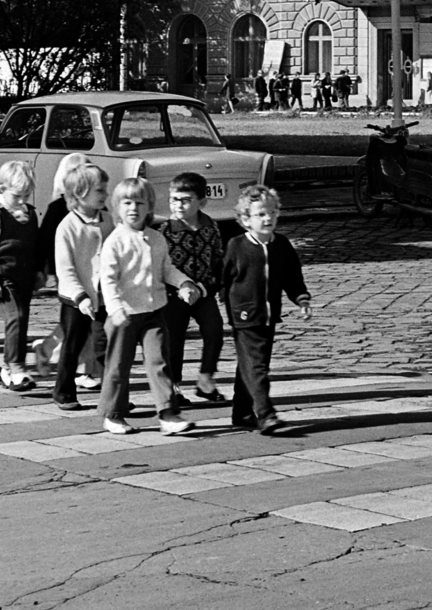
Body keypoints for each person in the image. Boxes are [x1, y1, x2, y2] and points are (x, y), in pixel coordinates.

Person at [98, 178, 200, 437]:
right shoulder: (115, 241)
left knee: (159, 361)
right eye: (127, 203)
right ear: (117, 208)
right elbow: (107, 279)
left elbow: (166, 269)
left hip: (154, 313)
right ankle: (114, 413)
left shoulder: (156, 238)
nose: (133, 208)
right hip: (124, 316)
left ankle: (168, 413)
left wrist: (184, 284)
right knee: (119, 366)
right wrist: (114, 307)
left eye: (139, 202)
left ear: (149, 207)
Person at [221, 184, 311, 435]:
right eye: (261, 214)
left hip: (269, 315)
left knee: (249, 365)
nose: (268, 218)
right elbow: (222, 276)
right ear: (245, 220)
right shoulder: (236, 246)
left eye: (272, 212)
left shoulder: (281, 245)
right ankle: (265, 413)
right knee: (258, 366)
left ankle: (242, 412)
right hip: (244, 315)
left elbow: (292, 276)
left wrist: (301, 298)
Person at [0, 159, 42, 393]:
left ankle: (7, 366)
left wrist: (39, 271)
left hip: (24, 277)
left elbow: (34, 246)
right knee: (16, 317)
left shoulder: (30, 214)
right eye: (17, 195)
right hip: (2, 278)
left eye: (27, 195)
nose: (22, 201)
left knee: (21, 322)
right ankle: (17, 367)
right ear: (3, 189)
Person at [160, 173, 228, 405]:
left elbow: (218, 262)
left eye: (186, 199)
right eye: (174, 199)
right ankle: (173, 387)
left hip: (204, 291)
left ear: (202, 202)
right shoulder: (165, 231)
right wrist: (178, 287)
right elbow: (161, 267)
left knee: (214, 331)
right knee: (174, 340)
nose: (178, 205)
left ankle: (205, 380)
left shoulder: (212, 228)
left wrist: (207, 286)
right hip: (174, 295)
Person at [52, 164, 111, 413]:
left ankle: (113, 393)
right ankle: (63, 390)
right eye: (99, 190)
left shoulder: (108, 220)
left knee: (105, 344)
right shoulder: (67, 227)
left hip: (104, 295)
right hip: (75, 299)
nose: (105, 195)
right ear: (80, 193)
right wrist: (80, 295)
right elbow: (65, 269)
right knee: (73, 344)